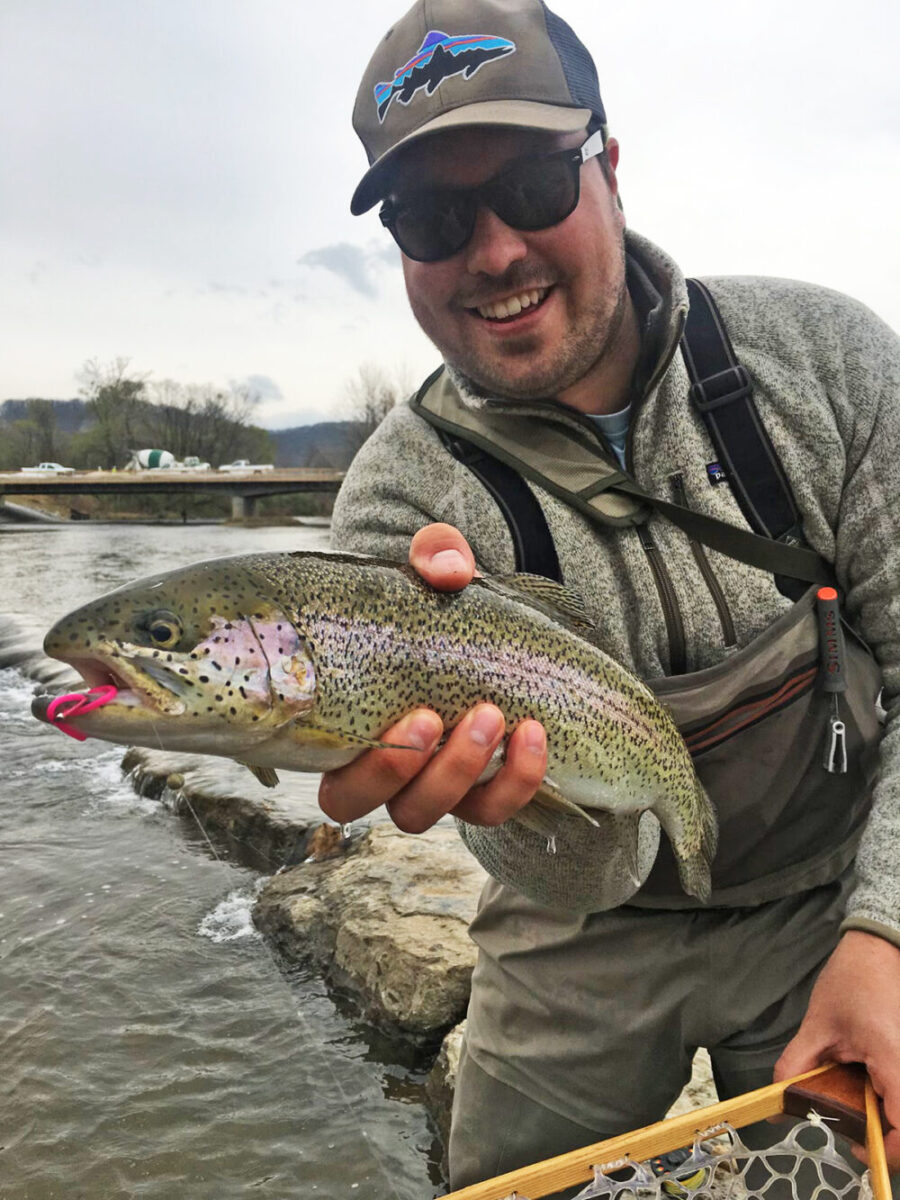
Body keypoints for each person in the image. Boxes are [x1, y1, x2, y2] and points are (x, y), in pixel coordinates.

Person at [320, 0, 900, 1192]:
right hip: (570, 938)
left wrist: (885, 932)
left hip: (831, 894)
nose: (492, 252)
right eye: (433, 216)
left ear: (610, 166)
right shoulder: (393, 509)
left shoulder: (832, 365)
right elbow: (570, 873)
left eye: (533, 184)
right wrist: (511, 811)